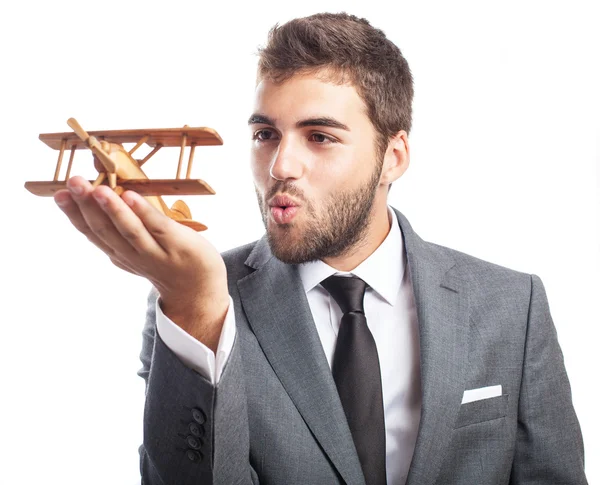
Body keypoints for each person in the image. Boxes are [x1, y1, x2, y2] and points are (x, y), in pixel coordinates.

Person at [53, 12, 588, 485]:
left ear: (394, 157)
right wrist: (196, 307)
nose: (281, 166)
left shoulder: (511, 306)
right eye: (265, 135)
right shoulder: (193, 299)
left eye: (320, 136)